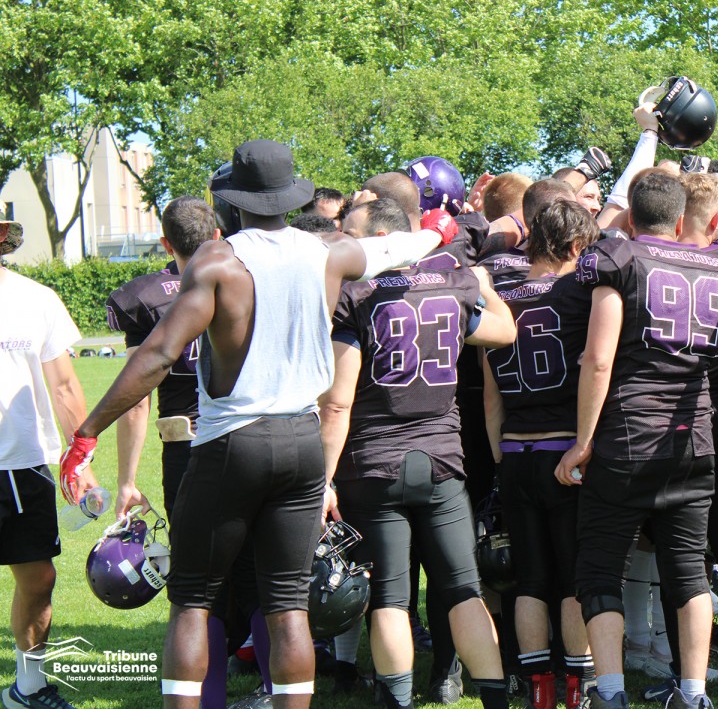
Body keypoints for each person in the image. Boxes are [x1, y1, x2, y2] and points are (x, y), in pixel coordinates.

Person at [65, 139, 457, 709]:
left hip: (232, 441)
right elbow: (399, 246)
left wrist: (86, 433)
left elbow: (158, 355)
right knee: (288, 604)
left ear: (233, 200)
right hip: (302, 442)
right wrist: (439, 231)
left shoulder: (217, 261)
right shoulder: (329, 251)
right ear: (290, 194)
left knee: (193, 600)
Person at [320, 198, 517, 709]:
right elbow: (505, 331)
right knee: (464, 589)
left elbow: (337, 403)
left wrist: (323, 479)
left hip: (374, 463)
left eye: (352, 234)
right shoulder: (451, 285)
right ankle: (495, 700)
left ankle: (398, 700)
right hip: (441, 461)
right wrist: (487, 288)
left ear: (382, 240)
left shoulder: (355, 295)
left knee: (389, 596)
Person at [555, 172, 718, 709]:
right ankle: (694, 692)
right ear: (681, 221)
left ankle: (611, 693)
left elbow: (599, 358)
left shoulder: (621, 257)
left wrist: (583, 440)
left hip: (629, 434)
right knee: (688, 571)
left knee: (599, 569)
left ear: (631, 218)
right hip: (694, 434)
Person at [106, 197, 272, 709]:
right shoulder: (249, 276)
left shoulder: (146, 297)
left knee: (199, 587)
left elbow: (138, 399)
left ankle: (208, 699)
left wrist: (126, 479)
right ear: (219, 235)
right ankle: (277, 692)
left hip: (188, 449)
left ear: (165, 243)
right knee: (261, 577)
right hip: (255, 438)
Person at [482, 201, 599, 709]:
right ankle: (578, 686)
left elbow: (491, 398)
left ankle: (539, 687)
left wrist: (500, 457)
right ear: (576, 246)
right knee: (574, 577)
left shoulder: (500, 298)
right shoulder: (581, 294)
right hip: (566, 452)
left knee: (529, 577)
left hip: (515, 450)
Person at [0, 219, 92, 709]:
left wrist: (81, 459)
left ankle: (28, 689)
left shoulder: (37, 298)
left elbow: (64, 385)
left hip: (24, 463)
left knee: (38, 580)